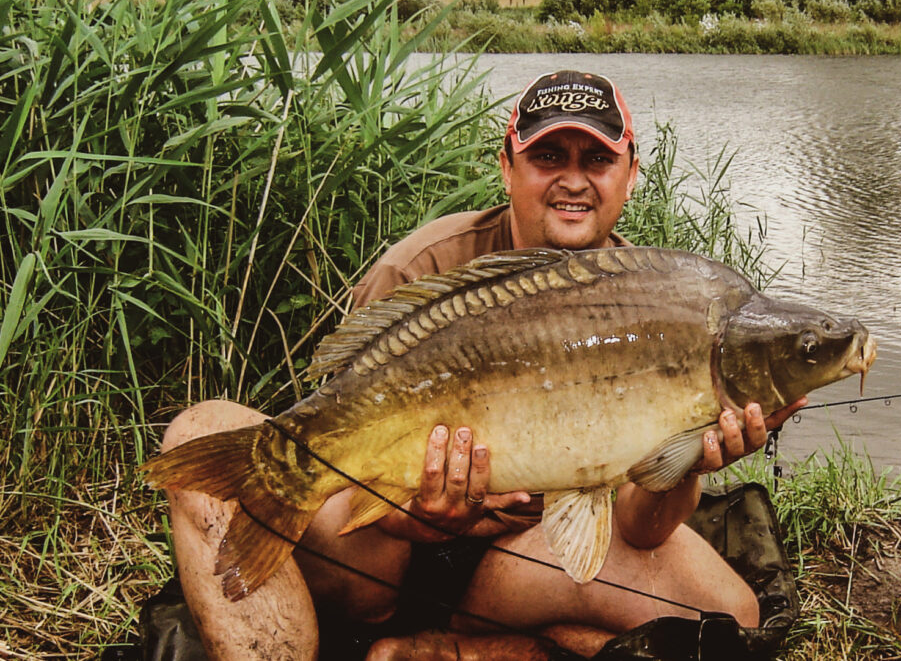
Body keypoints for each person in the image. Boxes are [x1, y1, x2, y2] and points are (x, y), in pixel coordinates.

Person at [159, 70, 806, 660]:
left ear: (631, 173)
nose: (573, 179)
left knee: (730, 616)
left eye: (598, 158)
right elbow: (351, 460)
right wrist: (423, 515)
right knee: (198, 429)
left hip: (519, 566)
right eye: (548, 155)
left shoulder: (662, 307)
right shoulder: (423, 268)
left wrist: (689, 458)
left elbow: (640, 526)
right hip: (385, 558)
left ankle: (451, 649)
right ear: (507, 166)